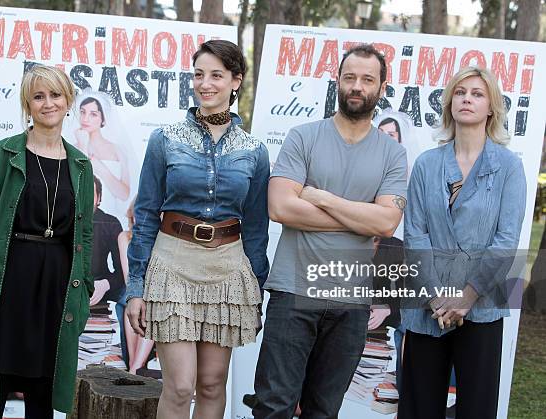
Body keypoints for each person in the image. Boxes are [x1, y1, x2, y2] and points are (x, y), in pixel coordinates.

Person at [253, 44, 407, 418]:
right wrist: (359, 219)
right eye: (350, 77)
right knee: (274, 406)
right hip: (293, 290)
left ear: (382, 87)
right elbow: (280, 207)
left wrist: (321, 197)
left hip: (351, 300)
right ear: (337, 81)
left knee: (324, 410)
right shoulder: (303, 136)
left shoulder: (392, 154)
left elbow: (386, 223)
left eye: (367, 79)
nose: (357, 86)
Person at [125, 40, 269, 419]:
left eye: (216, 75)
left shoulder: (254, 150)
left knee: (211, 382)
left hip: (228, 270)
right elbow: (144, 215)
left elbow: (255, 227)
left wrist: (255, 289)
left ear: (236, 81)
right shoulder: (165, 139)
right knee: (180, 385)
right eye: (199, 74)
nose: (205, 84)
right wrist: (136, 288)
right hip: (172, 263)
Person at [0, 65, 94, 418]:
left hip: (56, 284)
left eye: (55, 95)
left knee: (43, 389)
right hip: (9, 277)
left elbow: (85, 232)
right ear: (27, 105)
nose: (48, 104)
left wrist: (84, 286)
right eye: (38, 96)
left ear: (68, 100)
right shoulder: (4, 154)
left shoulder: (80, 164)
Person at [399, 66, 527, 419]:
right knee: (419, 406)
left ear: (492, 108)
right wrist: (439, 297)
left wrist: (467, 296)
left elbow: (506, 240)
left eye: (477, 93)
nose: (467, 99)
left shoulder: (508, 167)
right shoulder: (427, 164)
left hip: (483, 306)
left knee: (477, 408)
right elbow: (415, 234)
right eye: (460, 92)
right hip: (428, 305)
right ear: (449, 103)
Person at [74, 92, 131, 217]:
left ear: (103, 119)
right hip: (78, 216)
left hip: (110, 221)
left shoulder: (117, 150)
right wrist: (83, 147)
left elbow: (124, 194)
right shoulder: (72, 148)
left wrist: (97, 165)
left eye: (93, 114)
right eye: (83, 112)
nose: (85, 119)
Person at [117, 197, 155, 374]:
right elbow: (128, 274)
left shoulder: (160, 238)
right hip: (134, 286)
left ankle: (136, 367)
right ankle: (134, 364)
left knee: (153, 306)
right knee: (131, 301)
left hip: (155, 290)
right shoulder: (124, 237)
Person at [90, 176, 125, 306]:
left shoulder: (110, 223)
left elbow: (123, 270)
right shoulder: (60, 220)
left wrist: (105, 284)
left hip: (101, 284)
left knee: (130, 296)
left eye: (89, 194)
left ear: (99, 198)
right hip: (65, 287)